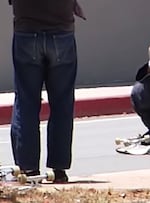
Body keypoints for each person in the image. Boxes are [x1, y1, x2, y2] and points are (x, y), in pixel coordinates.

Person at [9, 0, 85, 183]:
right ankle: (59, 169)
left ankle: (28, 168)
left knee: (26, 102)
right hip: (62, 33)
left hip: (27, 32)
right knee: (62, 104)